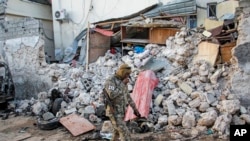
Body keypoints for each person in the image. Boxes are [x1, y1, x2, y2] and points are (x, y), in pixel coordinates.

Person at [103, 64, 141, 141]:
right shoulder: (111, 81)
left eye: (129, 74)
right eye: (126, 74)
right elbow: (112, 95)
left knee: (117, 132)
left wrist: (135, 109)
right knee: (124, 132)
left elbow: (127, 96)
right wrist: (122, 84)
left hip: (121, 112)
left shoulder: (122, 82)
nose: (127, 76)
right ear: (122, 72)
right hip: (113, 111)